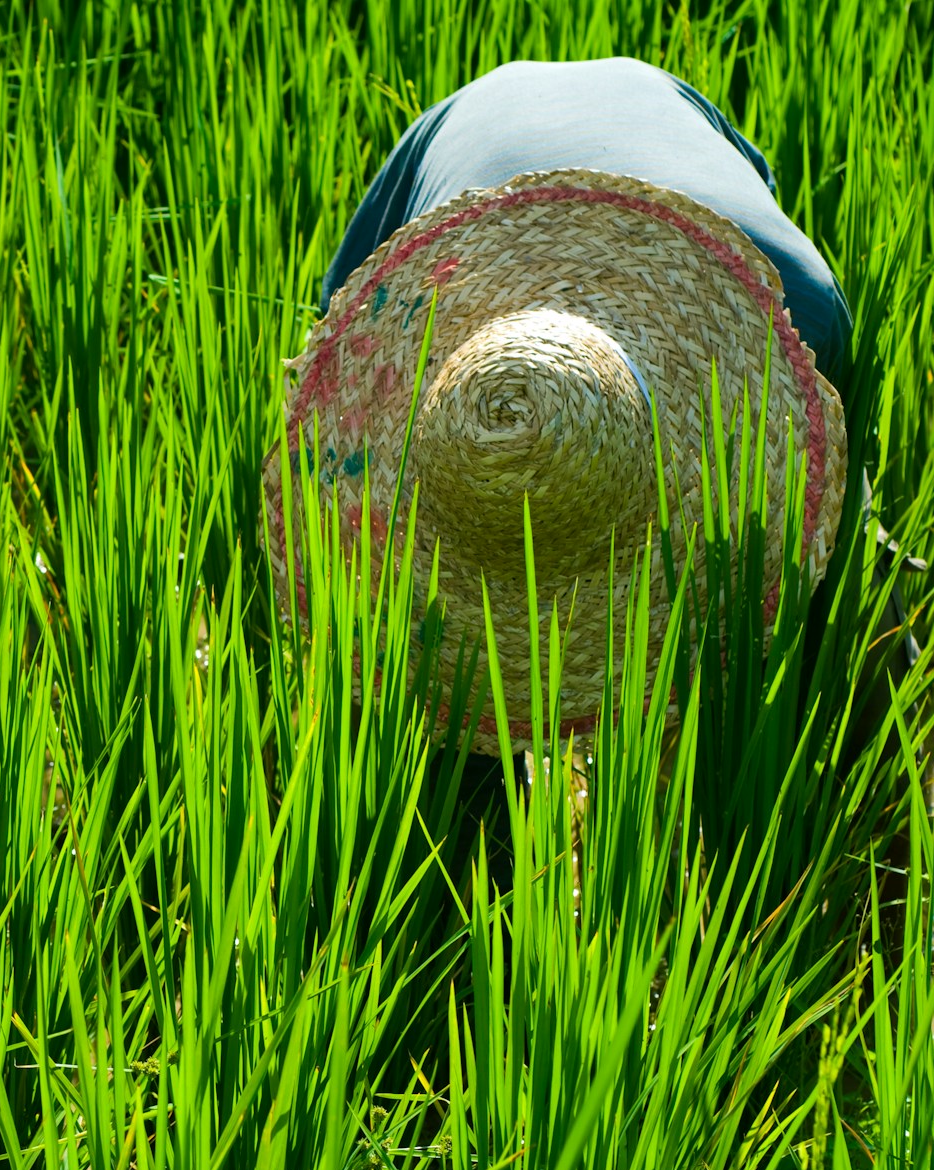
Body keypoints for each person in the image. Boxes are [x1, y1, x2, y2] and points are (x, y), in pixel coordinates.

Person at [260, 56, 919, 754]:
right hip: (608, 95)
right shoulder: (424, 273)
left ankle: (887, 759)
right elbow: (338, 360)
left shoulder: (794, 317)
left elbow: (331, 362)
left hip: (690, 173)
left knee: (825, 584)